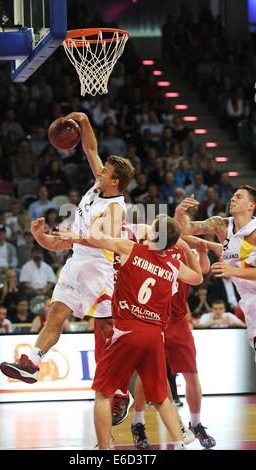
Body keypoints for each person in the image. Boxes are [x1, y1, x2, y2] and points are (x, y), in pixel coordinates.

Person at [0, 112, 135, 390]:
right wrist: (41, 238)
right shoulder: (99, 187)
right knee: (56, 312)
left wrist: (76, 236)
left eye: (105, 172)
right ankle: (32, 363)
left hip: (99, 268)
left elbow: (99, 239)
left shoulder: (115, 208)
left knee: (108, 329)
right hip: (77, 262)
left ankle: (120, 389)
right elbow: (90, 148)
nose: (99, 172)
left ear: (115, 181)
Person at [64, 215, 203, 450]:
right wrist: (188, 250)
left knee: (103, 393)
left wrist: (86, 228)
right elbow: (198, 277)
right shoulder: (172, 263)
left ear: (153, 235)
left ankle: (104, 449)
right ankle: (180, 444)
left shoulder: (131, 248)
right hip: (155, 335)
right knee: (161, 398)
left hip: (127, 329)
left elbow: (95, 237)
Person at [131, 235, 216, 450]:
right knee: (146, 374)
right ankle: (138, 423)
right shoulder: (145, 250)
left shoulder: (183, 250)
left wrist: (201, 252)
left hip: (178, 322)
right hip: (152, 318)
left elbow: (202, 271)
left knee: (191, 373)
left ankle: (196, 424)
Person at [174, 185, 256, 355]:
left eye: (239, 197)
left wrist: (232, 271)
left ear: (251, 205)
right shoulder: (222, 225)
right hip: (249, 303)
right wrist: (179, 213)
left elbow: (235, 263)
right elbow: (184, 231)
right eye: (233, 195)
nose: (233, 199)